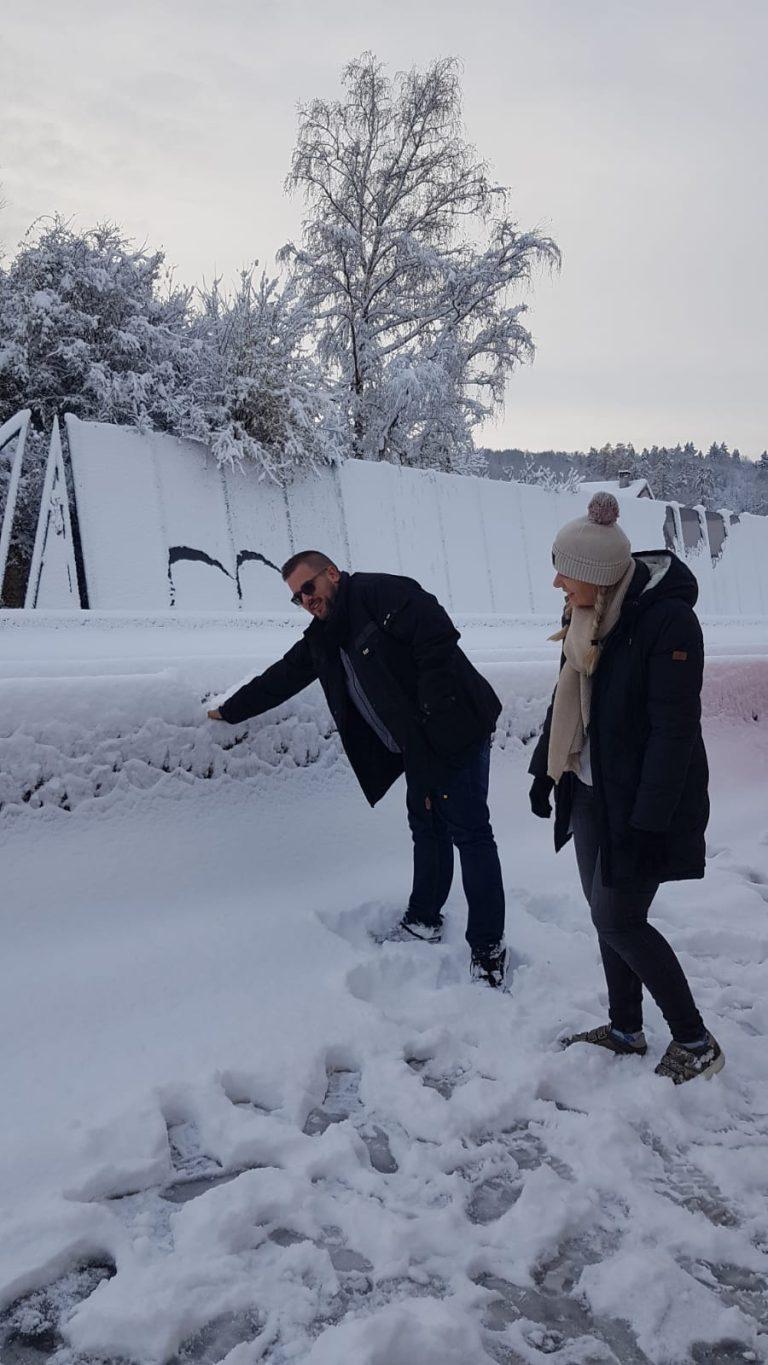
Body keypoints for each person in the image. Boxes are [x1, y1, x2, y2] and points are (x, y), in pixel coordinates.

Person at [208, 551, 507, 986]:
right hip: (418, 744)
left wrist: (431, 722)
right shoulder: (324, 635)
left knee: (470, 831)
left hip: (456, 729)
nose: (306, 600)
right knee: (426, 823)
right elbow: (283, 677)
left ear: (332, 574)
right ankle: (424, 919)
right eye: (296, 598)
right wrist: (229, 710)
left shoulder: (380, 592)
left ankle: (488, 948)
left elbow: (437, 639)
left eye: (308, 588)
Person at [528, 493, 724, 1084]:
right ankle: (625, 1029)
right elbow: (567, 696)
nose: (558, 581)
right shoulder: (589, 615)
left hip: (641, 801)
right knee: (603, 914)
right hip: (592, 790)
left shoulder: (667, 622)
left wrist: (648, 825)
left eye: (567, 571)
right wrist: (546, 767)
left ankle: (696, 1041)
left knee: (619, 919)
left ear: (597, 576)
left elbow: (674, 733)